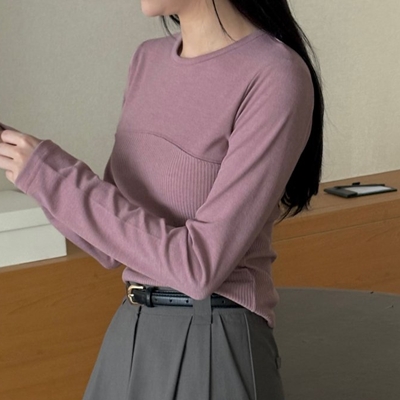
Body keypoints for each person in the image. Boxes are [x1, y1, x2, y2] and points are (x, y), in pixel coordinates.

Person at [0, 0, 323, 398]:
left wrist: (53, 175)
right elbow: (112, 242)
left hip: (214, 337)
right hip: (131, 327)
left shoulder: (275, 74)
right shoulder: (147, 60)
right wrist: (30, 171)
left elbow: (200, 267)